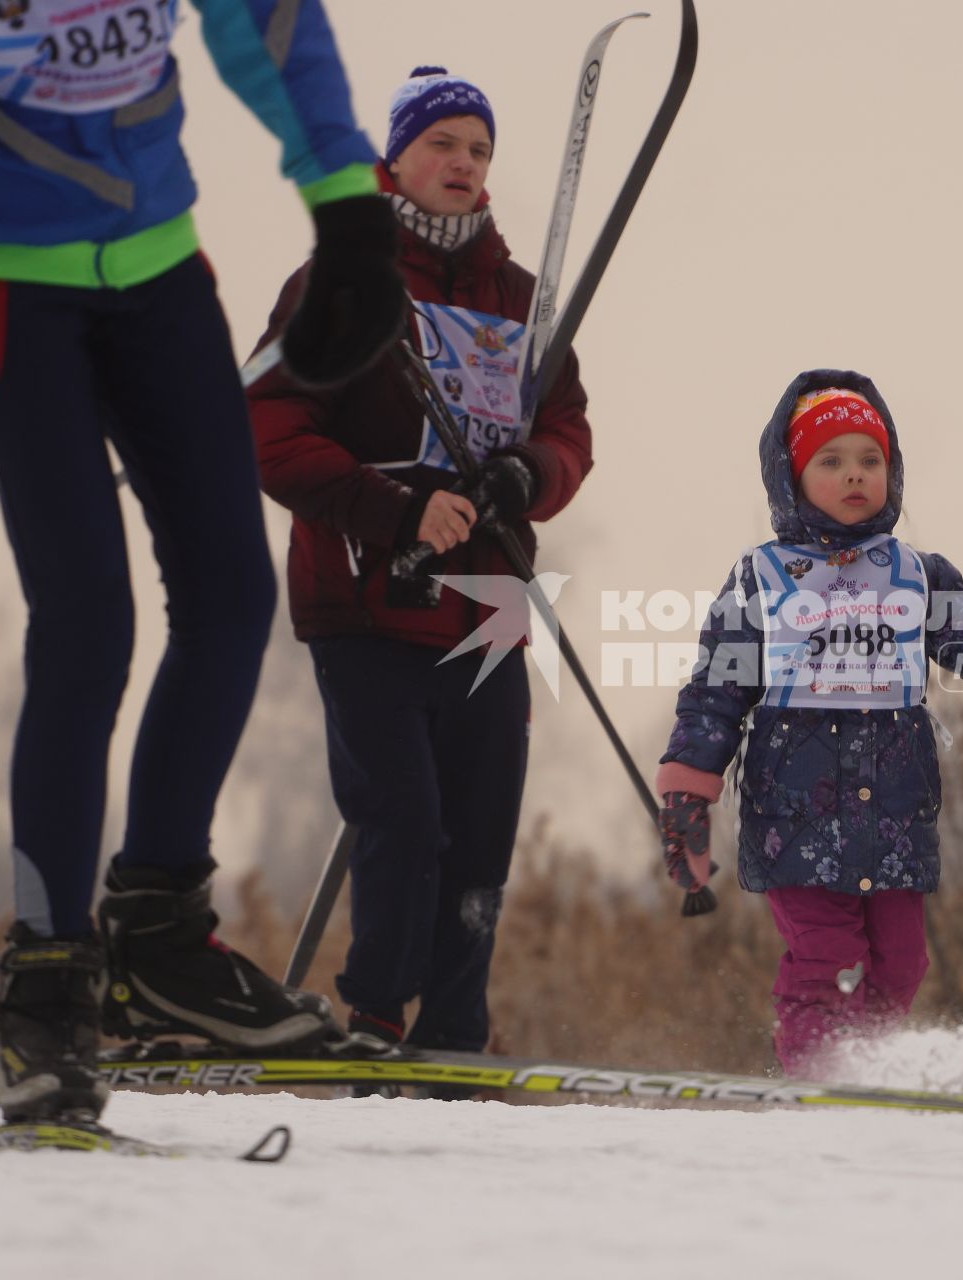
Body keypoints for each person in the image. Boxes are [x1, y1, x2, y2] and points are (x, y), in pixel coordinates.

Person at [0, 1, 406, 1126]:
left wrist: (346, 204)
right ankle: (47, 981)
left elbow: (271, 21)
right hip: (4, 273)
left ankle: (155, 933)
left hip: (157, 257)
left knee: (231, 594)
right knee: (87, 617)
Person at [657, 370, 963, 1075]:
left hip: (895, 818)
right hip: (794, 819)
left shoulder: (916, 576)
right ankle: (815, 1082)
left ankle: (865, 1078)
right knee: (828, 962)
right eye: (830, 461)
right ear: (791, 476)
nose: (855, 475)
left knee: (900, 966)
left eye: (871, 460)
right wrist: (688, 794)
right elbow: (715, 692)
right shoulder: (761, 579)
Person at [248, 67, 594, 1055]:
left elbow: (567, 428)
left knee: (481, 829)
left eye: (478, 150)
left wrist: (526, 477)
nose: (462, 163)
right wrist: (396, 506)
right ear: (395, 157)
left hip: (489, 603)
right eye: (442, 143)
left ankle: (453, 1034)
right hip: (366, 595)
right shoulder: (337, 283)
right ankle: (374, 1013)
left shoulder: (524, 300)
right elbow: (269, 426)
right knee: (401, 816)